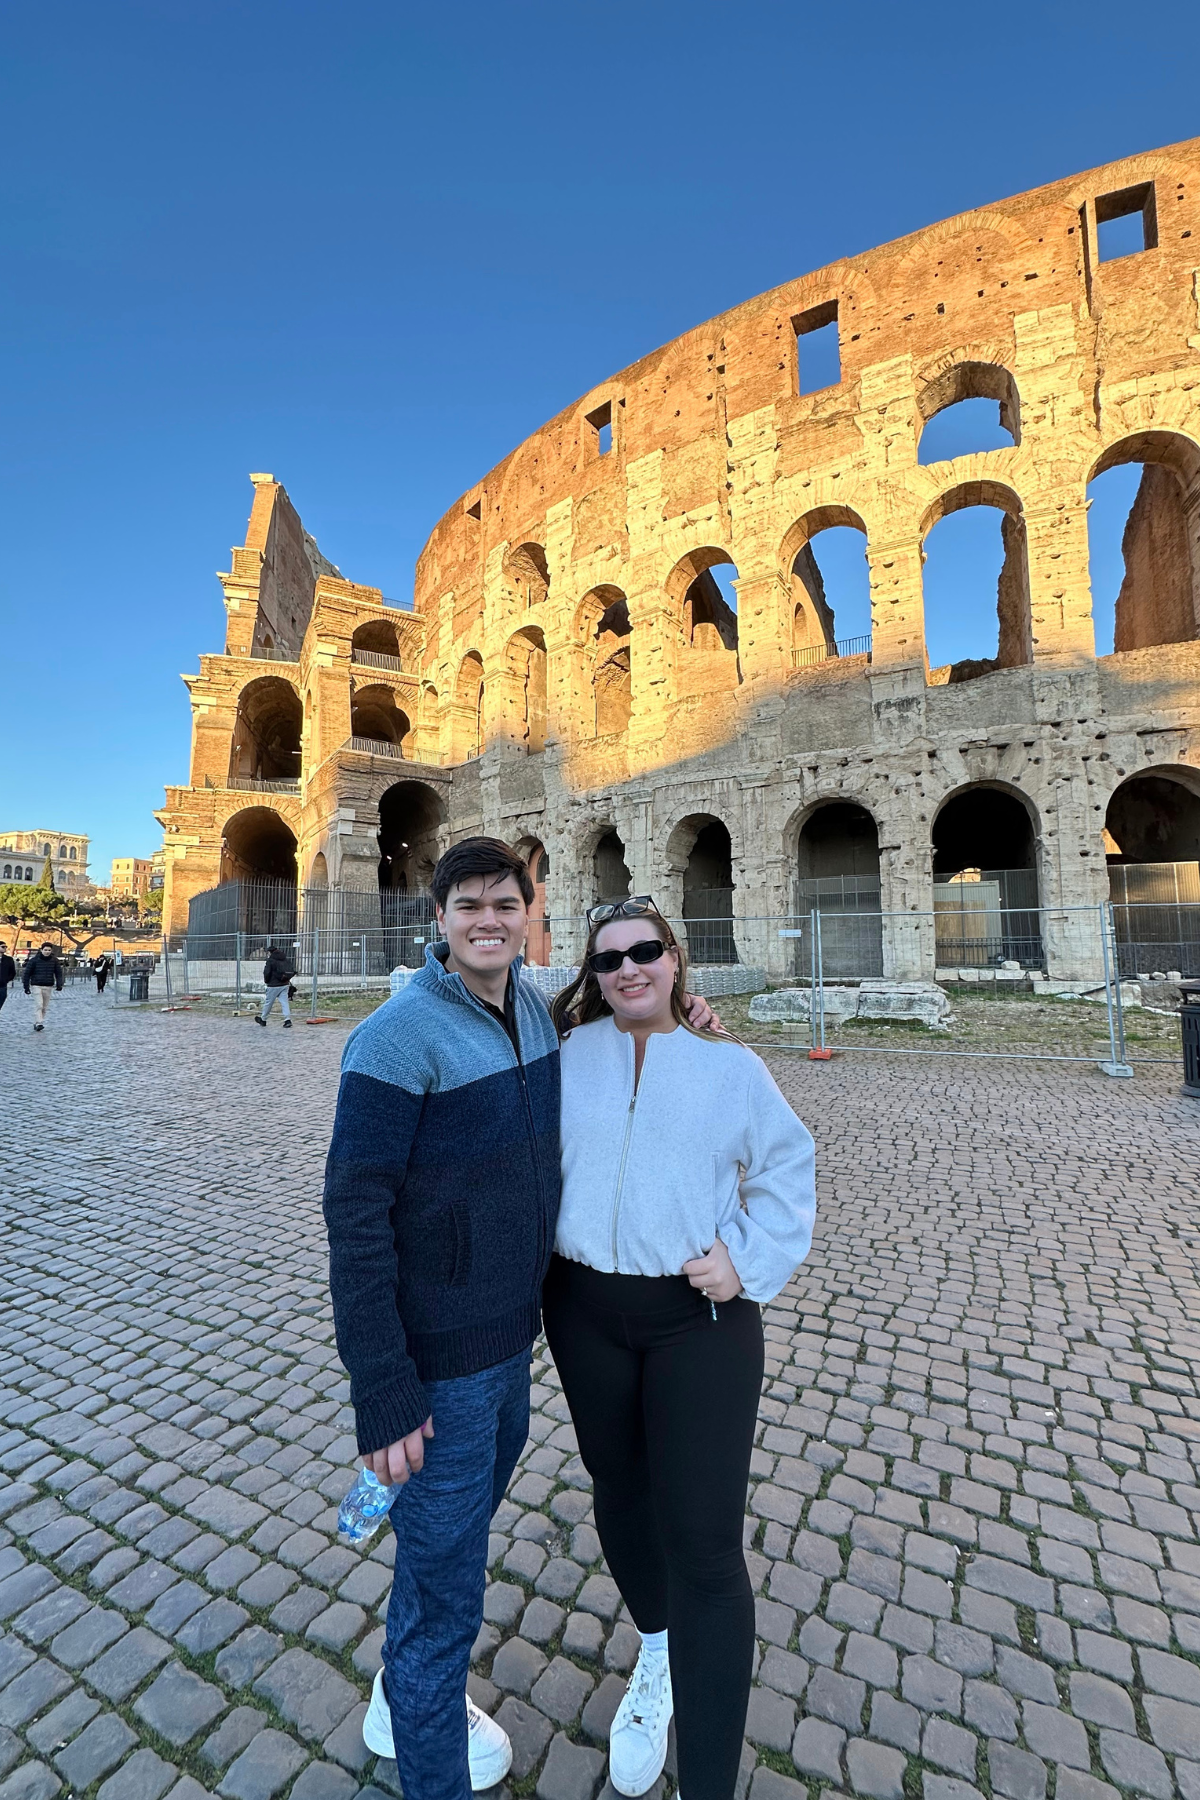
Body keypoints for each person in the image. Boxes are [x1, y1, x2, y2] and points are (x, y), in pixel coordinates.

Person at [323, 839, 718, 1800]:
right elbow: (354, 1217)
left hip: (510, 1348)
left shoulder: (535, 1017)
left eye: (505, 903)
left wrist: (694, 1014)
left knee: (445, 1552)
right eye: (469, 906)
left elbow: (620, 1019)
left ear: (529, 915)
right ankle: (427, 1757)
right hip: (438, 1369)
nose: (488, 919)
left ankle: (400, 1697)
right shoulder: (395, 1036)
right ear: (441, 919)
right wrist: (383, 1389)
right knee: (447, 1602)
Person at [544, 898, 816, 1800]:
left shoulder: (728, 1066)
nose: (628, 969)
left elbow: (787, 1162)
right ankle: (654, 1651)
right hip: (583, 1310)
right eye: (609, 958)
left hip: (696, 1322)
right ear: (591, 973)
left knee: (704, 1545)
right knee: (618, 1488)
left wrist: (747, 1259)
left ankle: (707, 1782)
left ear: (676, 960)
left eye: (645, 952)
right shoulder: (561, 1055)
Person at [23, 942, 64, 1031]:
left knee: (44, 1007)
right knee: (39, 1004)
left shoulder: (54, 960)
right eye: (45, 950)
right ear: (41, 950)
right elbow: (27, 974)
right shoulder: (34, 960)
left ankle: (38, 1021)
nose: (47, 952)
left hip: (48, 985)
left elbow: (58, 973)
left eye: (49, 950)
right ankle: (39, 1022)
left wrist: (59, 984)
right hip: (36, 985)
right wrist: (26, 986)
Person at [257, 940, 296, 1026]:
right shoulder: (285, 959)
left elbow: (267, 972)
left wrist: (267, 981)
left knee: (268, 1003)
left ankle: (263, 1019)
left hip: (273, 985)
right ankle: (287, 1020)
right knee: (284, 1002)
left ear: (270, 952)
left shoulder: (271, 960)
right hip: (285, 984)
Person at [0, 942, 15, 1016]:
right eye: (3, 947)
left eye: (5, 947)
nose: (5, 948)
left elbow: (12, 972)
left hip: (2, 986)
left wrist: (6, 979)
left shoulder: (9, 959)